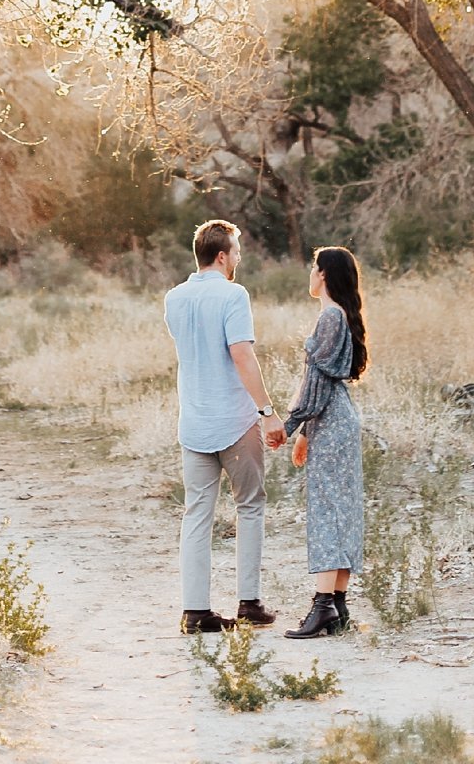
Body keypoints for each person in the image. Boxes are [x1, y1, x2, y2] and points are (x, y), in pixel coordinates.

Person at [163, 218, 287, 635]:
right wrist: (267, 411)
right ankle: (249, 603)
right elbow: (241, 355)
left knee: (197, 513)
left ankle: (195, 612)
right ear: (222, 255)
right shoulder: (234, 294)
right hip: (234, 421)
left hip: (194, 420)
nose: (239, 258)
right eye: (236, 251)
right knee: (250, 505)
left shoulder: (174, 298)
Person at [283, 244, 368, 638]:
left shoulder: (330, 318)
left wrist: (289, 424)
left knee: (328, 511)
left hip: (331, 423)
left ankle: (322, 609)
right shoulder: (339, 316)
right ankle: (338, 606)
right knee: (342, 508)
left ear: (325, 275)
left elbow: (314, 384)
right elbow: (323, 383)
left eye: (314, 267)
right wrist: (304, 431)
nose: (310, 274)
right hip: (335, 420)